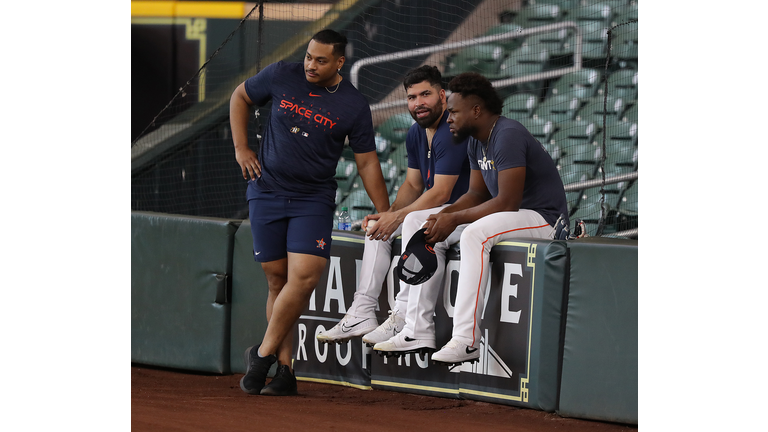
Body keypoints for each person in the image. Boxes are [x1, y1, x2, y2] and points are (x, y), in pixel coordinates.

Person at [230, 29, 390, 396]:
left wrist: (386, 214)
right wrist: (242, 148)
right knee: (277, 281)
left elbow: (366, 163)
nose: (311, 65)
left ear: (339, 62)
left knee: (303, 277)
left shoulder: (353, 105)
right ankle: (285, 371)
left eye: (320, 60)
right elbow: (240, 96)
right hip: (266, 190)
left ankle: (262, 353)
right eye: (308, 56)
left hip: (312, 199)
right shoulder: (280, 74)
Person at [316, 65, 471, 355]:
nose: (418, 103)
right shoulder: (416, 132)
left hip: (465, 212)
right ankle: (361, 312)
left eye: (425, 94)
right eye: (411, 97)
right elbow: (413, 185)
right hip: (434, 213)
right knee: (378, 229)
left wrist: (398, 216)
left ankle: (402, 315)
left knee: (411, 219)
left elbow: (441, 192)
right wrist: (389, 214)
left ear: (441, 95)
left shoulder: (451, 130)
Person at [423, 72, 569, 365]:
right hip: (517, 215)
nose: (448, 118)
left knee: (474, 234)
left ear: (476, 110)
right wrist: (443, 215)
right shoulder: (476, 141)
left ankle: (465, 340)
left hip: (545, 218)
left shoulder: (508, 134)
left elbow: (507, 201)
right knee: (431, 222)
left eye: (453, 111)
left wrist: (455, 220)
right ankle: (413, 325)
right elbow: (476, 194)